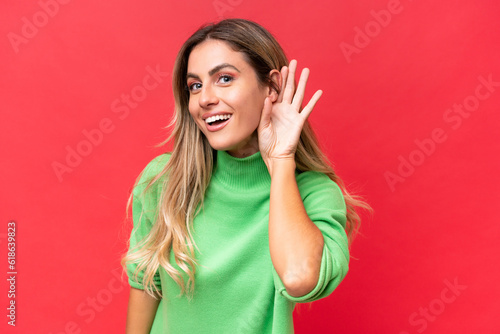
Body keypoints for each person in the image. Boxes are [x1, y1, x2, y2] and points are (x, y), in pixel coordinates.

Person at [121, 18, 369, 334]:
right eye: (195, 85)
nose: (205, 99)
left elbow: (298, 278)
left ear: (273, 87)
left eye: (224, 78)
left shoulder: (314, 193)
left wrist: (280, 162)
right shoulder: (164, 181)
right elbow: (146, 284)